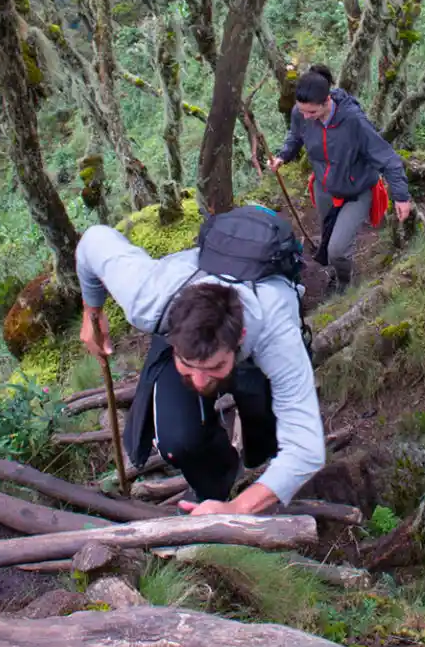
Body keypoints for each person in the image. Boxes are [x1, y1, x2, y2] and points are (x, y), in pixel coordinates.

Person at [75, 208, 325, 515]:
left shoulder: (276, 334)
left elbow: (306, 448)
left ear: (240, 336)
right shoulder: (148, 298)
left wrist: (238, 508)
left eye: (214, 368)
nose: (200, 381)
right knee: (177, 441)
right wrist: (93, 313)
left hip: (256, 345)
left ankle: (258, 459)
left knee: (264, 427)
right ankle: (215, 481)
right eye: (189, 366)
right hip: (186, 320)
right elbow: (92, 241)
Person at [267, 65, 413, 293]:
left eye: (312, 113)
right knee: (329, 236)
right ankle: (337, 270)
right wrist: (283, 156)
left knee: (337, 249)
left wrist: (401, 197)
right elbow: (295, 136)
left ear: (327, 101)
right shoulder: (301, 114)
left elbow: (388, 159)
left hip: (357, 190)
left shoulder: (353, 121)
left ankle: (345, 284)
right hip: (324, 188)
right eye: (302, 111)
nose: (306, 117)